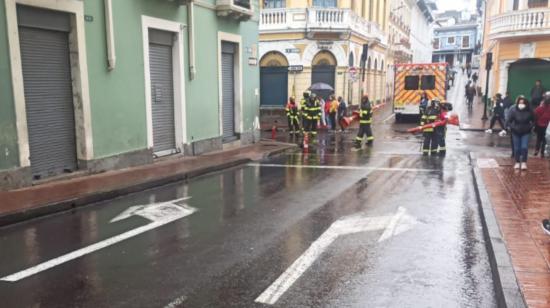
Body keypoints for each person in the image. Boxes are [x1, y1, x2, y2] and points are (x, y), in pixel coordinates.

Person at [507, 96, 535, 170]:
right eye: (520, 103)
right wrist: (512, 127)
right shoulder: (514, 110)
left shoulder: (529, 111)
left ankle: (524, 162)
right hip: (515, 132)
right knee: (517, 148)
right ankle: (517, 162)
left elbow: (534, 120)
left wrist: (530, 127)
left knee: (524, 147)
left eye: (523, 103)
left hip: (526, 132)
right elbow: (509, 121)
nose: (521, 104)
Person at [534, 92, 550, 157]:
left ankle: (536, 150)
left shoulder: (539, 108)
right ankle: (542, 152)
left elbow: (535, 114)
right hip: (546, 126)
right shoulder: (549, 109)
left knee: (538, 138)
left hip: (539, 125)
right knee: (544, 140)